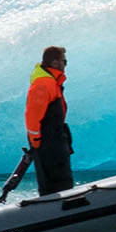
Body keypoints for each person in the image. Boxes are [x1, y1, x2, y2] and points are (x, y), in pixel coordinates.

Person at [25, 45, 73, 195]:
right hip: (47, 141)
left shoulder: (52, 82)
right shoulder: (44, 84)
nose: (66, 65)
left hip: (55, 138)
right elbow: (33, 115)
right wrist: (36, 140)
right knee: (54, 182)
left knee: (62, 180)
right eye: (64, 61)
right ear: (55, 63)